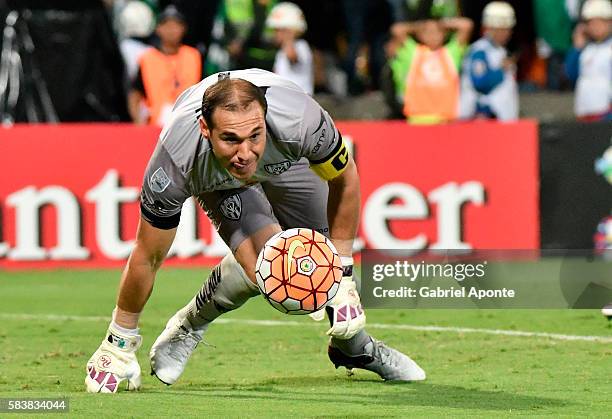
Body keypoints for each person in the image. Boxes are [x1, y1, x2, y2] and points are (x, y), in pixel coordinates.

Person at [84, 69, 426, 393]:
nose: (245, 153)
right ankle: (190, 324)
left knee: (319, 269)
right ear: (205, 129)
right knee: (276, 268)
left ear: (266, 119)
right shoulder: (176, 162)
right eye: (230, 139)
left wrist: (344, 273)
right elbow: (147, 256)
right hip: (218, 178)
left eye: (254, 136)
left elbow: (345, 178)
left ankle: (353, 347)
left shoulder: (300, 121)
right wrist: (119, 343)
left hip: (286, 160)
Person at [389, 16, 473, 124]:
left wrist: (443, 24)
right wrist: (418, 26)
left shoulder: (451, 53)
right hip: (417, 118)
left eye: (436, 32)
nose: (432, 36)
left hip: (446, 119)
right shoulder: (413, 53)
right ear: (421, 35)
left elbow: (466, 25)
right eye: (427, 32)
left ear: (443, 34)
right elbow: (397, 29)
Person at [128, 5, 202, 126]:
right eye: (167, 25)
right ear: (158, 29)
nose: (171, 30)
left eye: (176, 25)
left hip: (189, 124)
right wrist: (138, 122)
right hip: (156, 125)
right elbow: (135, 93)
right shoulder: (148, 58)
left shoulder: (193, 56)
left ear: (183, 28)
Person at [459, 1, 518, 121]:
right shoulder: (479, 51)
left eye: (507, 29)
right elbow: (480, 83)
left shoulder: (501, 51)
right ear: (489, 28)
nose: (506, 34)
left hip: (504, 120)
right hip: (486, 119)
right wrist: (500, 70)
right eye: (501, 29)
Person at [565, 0, 612, 121]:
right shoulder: (585, 49)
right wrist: (576, 48)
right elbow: (570, 74)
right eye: (591, 23)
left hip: (605, 112)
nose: (595, 27)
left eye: (599, 22)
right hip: (584, 110)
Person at [266, 2, 313, 95]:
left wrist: (288, 38)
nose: (274, 34)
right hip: (285, 100)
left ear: (288, 30)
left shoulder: (301, 46)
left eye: (278, 30)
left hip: (299, 100)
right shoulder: (281, 51)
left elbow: (292, 57)